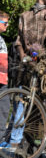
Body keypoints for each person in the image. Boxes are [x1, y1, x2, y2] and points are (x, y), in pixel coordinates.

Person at [0, 11, 10, 145]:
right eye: (5, 23)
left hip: (2, 80)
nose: (7, 26)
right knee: (4, 109)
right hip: (1, 82)